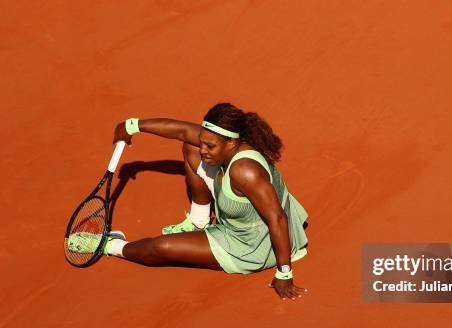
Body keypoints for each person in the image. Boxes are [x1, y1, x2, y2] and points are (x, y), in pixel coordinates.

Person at [71, 103, 309, 300]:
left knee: (161, 247)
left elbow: (277, 218)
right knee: (189, 146)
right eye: (204, 141)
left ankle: (110, 245)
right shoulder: (227, 144)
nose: (204, 148)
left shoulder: (245, 171)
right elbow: (183, 131)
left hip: (251, 245)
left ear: (231, 143)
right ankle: (199, 220)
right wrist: (132, 126)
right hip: (242, 211)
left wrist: (284, 274)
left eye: (210, 145)